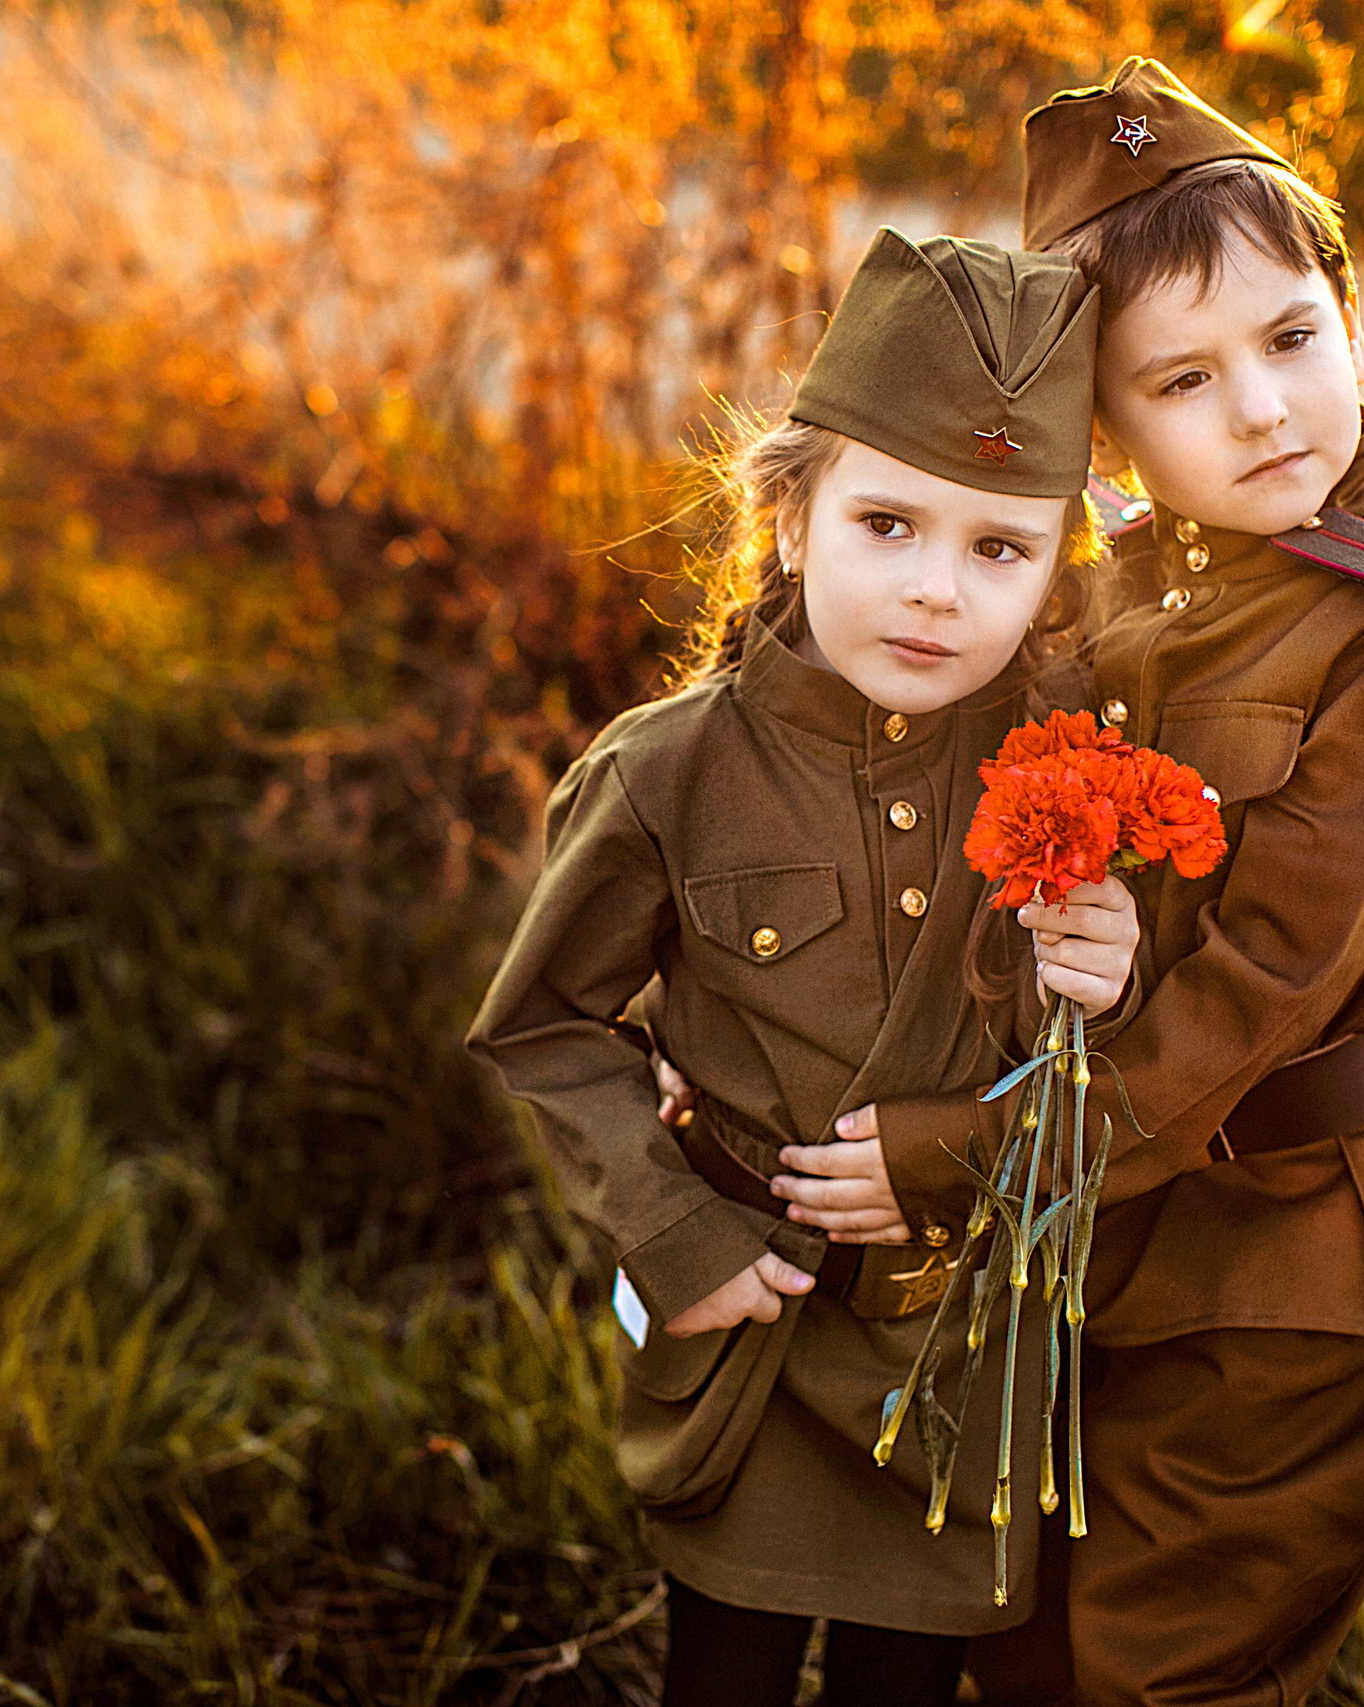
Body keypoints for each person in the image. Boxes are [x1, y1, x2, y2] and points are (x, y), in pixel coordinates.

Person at [818, 59, 1364, 1706]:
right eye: (1183, 380)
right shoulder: (1106, 606)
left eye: (1290, 338)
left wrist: (956, 1160)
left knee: (1161, 1679)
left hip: (1294, 1266)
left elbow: (1264, 993)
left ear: (1349, 312)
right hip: (1107, 1249)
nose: (1265, 408)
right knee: (1024, 1654)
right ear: (1104, 428)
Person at [466, 228, 1141, 1707]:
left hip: (965, 1354)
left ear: (1054, 575)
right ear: (787, 516)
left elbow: (1119, 1071)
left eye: (1000, 549)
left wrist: (1116, 959)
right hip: (758, 1342)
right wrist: (675, 1239)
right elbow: (545, 1028)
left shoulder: (1075, 773)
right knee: (728, 1673)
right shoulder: (670, 771)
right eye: (887, 526)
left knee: (908, 1684)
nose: (937, 594)